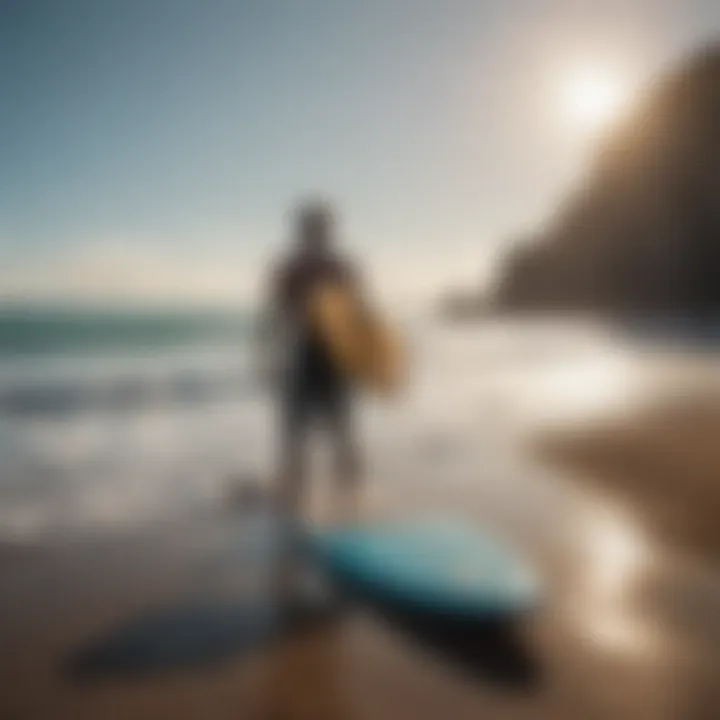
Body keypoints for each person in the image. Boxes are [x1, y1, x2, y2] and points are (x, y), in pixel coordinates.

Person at [259, 200, 362, 526]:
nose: (316, 234)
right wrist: (269, 356)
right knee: (299, 433)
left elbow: (356, 313)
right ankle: (300, 504)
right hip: (305, 355)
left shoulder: (338, 267)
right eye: (312, 229)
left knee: (337, 431)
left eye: (319, 229)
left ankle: (350, 503)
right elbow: (274, 314)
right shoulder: (294, 268)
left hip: (329, 357)